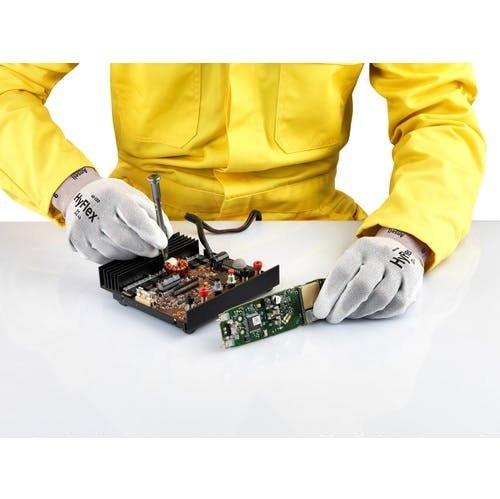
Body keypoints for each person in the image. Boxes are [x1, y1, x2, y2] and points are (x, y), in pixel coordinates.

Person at [0, 63, 485, 323]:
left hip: (322, 243)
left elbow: (438, 115)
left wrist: (406, 236)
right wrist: (74, 188)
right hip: (136, 234)